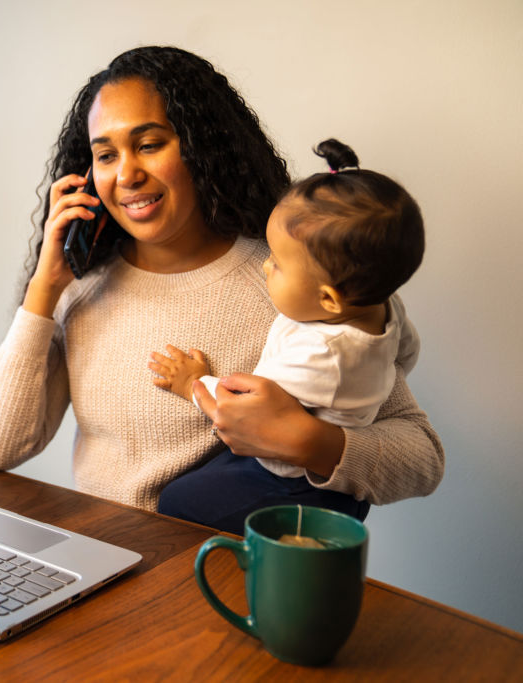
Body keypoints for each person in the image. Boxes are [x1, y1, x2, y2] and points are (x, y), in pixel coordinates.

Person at [0, 46, 443, 524]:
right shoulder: (79, 292)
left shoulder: (294, 284)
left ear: (200, 146)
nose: (127, 174)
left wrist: (306, 441)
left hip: (214, 578)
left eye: (150, 144)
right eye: (106, 155)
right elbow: (0, 448)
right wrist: (44, 289)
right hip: (105, 567)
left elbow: (422, 458)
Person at [150, 139, 424, 531]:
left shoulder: (322, 355)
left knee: (178, 500)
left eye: (277, 263)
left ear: (328, 299)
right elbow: (406, 353)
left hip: (289, 480)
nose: (265, 265)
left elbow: (242, 413)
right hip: (283, 464)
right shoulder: (383, 307)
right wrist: (371, 385)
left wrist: (192, 383)